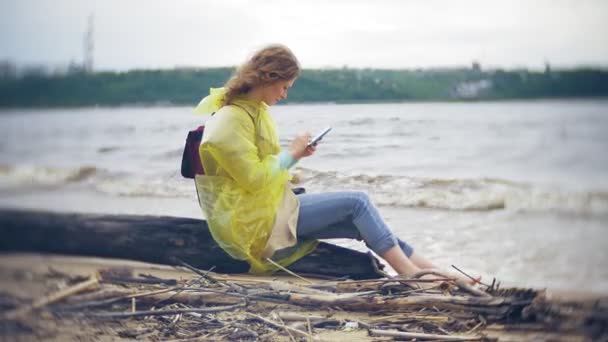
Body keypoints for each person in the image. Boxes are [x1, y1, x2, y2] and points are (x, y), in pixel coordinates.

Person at [193, 44, 455, 279]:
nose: (284, 95)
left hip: (266, 210)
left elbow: (261, 170)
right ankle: (411, 276)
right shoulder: (230, 120)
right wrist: (291, 154)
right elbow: (255, 179)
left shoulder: (254, 112)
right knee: (358, 202)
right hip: (253, 225)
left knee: (360, 221)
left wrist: (295, 157)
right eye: (284, 87)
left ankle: (432, 272)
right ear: (269, 77)